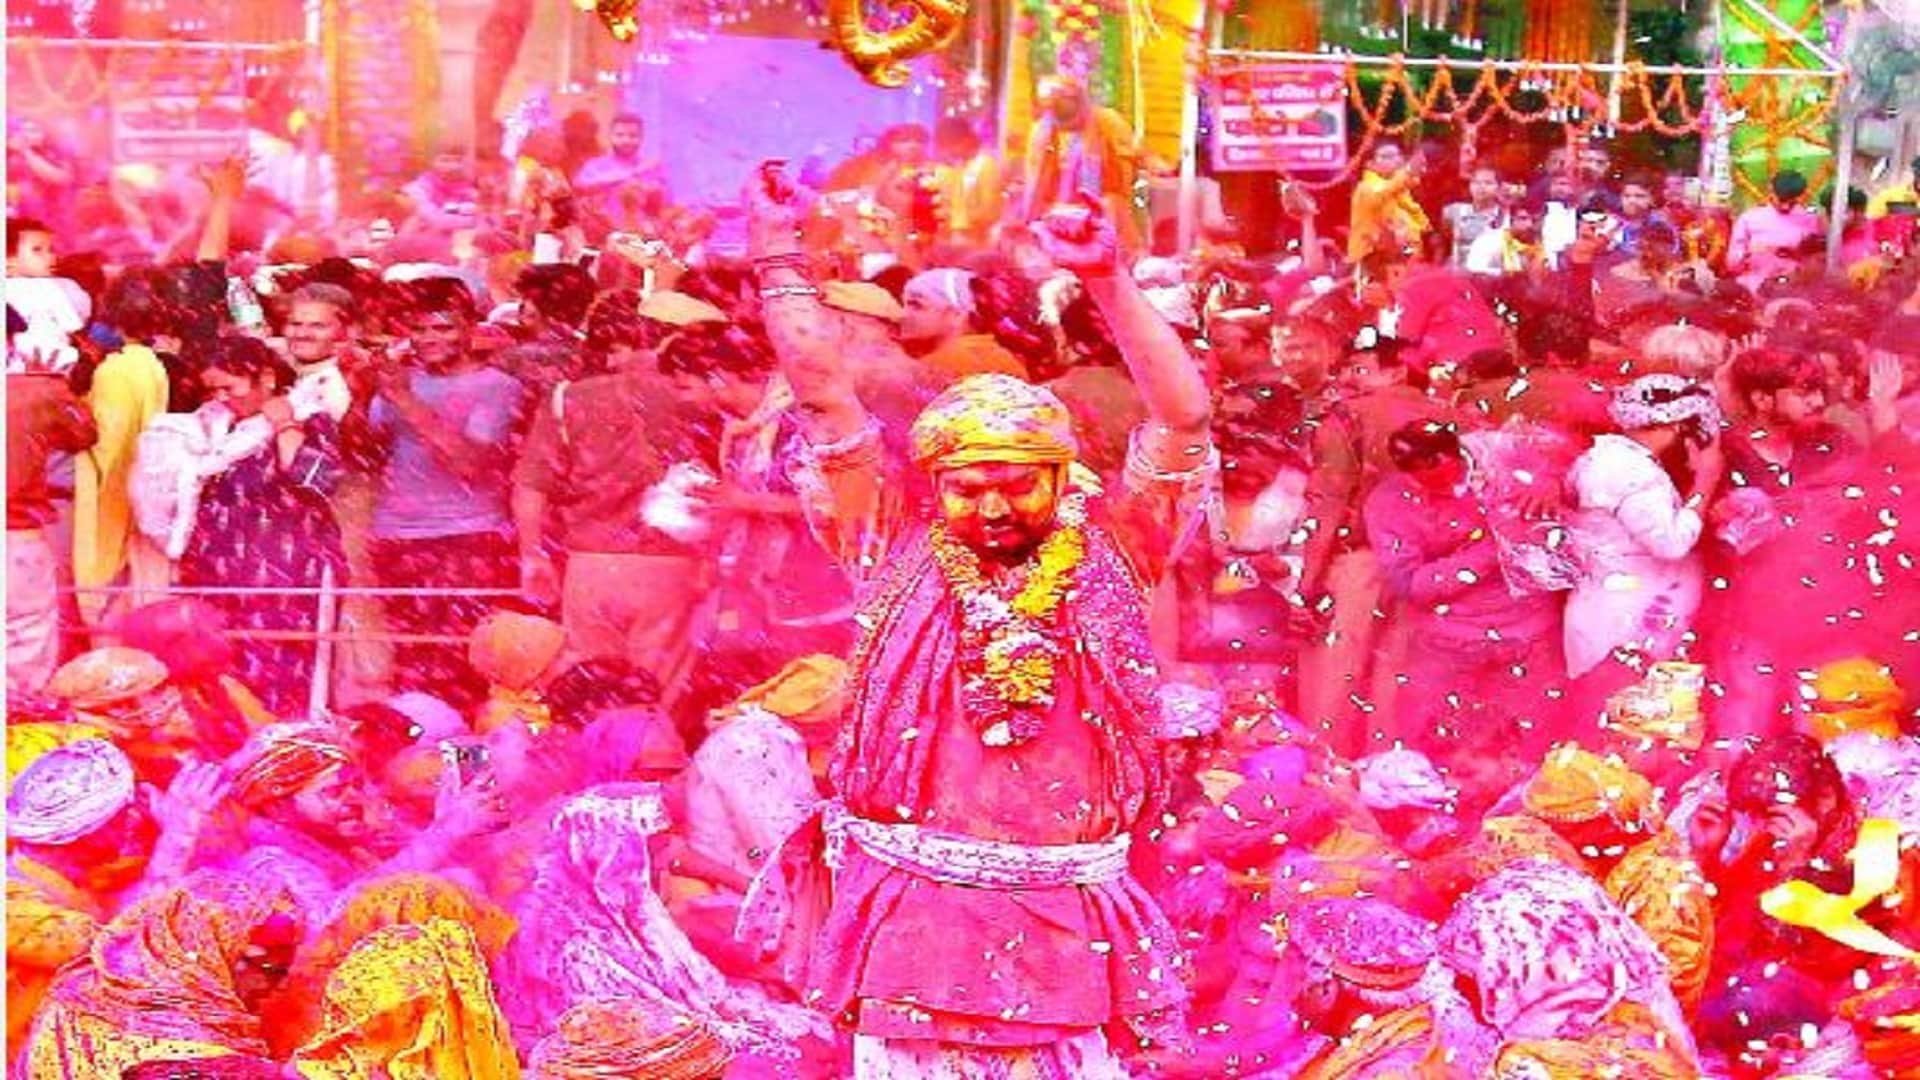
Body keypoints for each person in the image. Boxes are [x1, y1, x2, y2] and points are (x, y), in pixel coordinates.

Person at [745, 169, 1209, 1074]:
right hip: (917, 914)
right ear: (933, 486)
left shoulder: (1115, 553)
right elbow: (822, 397)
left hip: (1068, 911)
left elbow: (1184, 417)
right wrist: (775, 256)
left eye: (1016, 483)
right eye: (967, 486)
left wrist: (1107, 280)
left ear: (1061, 477)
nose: (992, 507)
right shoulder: (886, 542)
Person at [513, 291, 722, 697]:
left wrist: (532, 553)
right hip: (671, 567)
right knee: (658, 693)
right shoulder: (698, 396)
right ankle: (648, 756)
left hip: (590, 567)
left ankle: (600, 756)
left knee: (590, 688)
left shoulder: (569, 397)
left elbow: (530, 485)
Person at [345, 278, 525, 709]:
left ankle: (466, 758)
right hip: (397, 539)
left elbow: (469, 462)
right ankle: (420, 754)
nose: (429, 339)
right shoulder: (399, 382)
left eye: (443, 328)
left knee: (466, 664)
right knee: (410, 660)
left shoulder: (496, 387)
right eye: (420, 329)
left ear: (470, 328)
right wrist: (360, 392)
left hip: (468, 540)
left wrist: (404, 400)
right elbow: (360, 453)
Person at [1362, 421, 1564, 802]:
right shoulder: (1389, 502)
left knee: (1530, 758)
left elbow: (1566, 455)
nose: (1435, 484)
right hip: (1446, 641)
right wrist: (1495, 548)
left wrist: (1551, 482)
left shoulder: (1502, 455)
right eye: (1420, 478)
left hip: (1530, 635)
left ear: (1457, 453)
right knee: (1427, 755)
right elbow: (1411, 587)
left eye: (1442, 471)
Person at [165, 335, 348, 714]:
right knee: (224, 676)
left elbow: (313, 480)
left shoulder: (309, 416)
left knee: (286, 675)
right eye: (212, 390)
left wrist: (282, 423)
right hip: (222, 576)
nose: (220, 398)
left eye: (229, 387)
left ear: (265, 377)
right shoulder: (214, 431)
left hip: (289, 576)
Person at [21, 870, 301, 1079]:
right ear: (212, 956)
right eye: (272, 970)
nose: (274, 987)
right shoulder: (200, 1060)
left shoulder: (76, 994)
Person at [1564, 374, 1722, 708]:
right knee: (1630, 732)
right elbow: (1671, 543)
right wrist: (1706, 480)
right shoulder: (1631, 472)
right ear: (1681, 427)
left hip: (1614, 611)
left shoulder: (1608, 458)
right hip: (1628, 623)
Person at [8, 334, 97, 696]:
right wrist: (53, 384)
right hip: (16, 536)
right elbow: (85, 433)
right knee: (26, 639)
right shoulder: (36, 391)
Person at [1023, 76, 1141, 246]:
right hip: (1057, 222)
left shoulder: (1109, 122)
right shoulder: (1042, 131)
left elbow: (1124, 179)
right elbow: (1035, 185)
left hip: (1105, 217)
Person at [896, 267, 1028, 382]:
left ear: (956, 315)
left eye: (916, 305)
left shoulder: (942, 366)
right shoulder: (1001, 356)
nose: (903, 314)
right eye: (904, 304)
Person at [1728, 170, 1823, 292]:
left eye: (1792, 202)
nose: (1786, 207)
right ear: (1771, 191)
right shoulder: (1749, 219)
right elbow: (1732, 264)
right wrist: (1748, 254)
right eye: (1782, 200)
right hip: (1752, 289)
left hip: (1793, 289)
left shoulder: (1809, 219)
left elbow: (1815, 261)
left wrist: (1793, 254)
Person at [574, 113, 670, 229]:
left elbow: (665, 203)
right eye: (620, 135)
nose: (626, 140)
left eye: (633, 136)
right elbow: (580, 188)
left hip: (643, 236)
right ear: (610, 136)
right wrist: (631, 174)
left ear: (641, 138)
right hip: (605, 234)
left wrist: (649, 190)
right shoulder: (595, 166)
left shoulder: (652, 168)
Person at [1347, 141, 1429, 264]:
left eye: (1397, 155)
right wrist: (1408, 171)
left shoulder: (1400, 189)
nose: (1396, 160)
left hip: (1401, 259)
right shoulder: (1365, 188)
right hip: (1372, 263)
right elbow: (1382, 193)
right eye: (1387, 156)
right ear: (1370, 164)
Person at [1441, 164, 1503, 269]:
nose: (1481, 187)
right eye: (1476, 182)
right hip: (1456, 274)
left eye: (1488, 183)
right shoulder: (1454, 211)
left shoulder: (1504, 216)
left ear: (1499, 188)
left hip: (1490, 276)